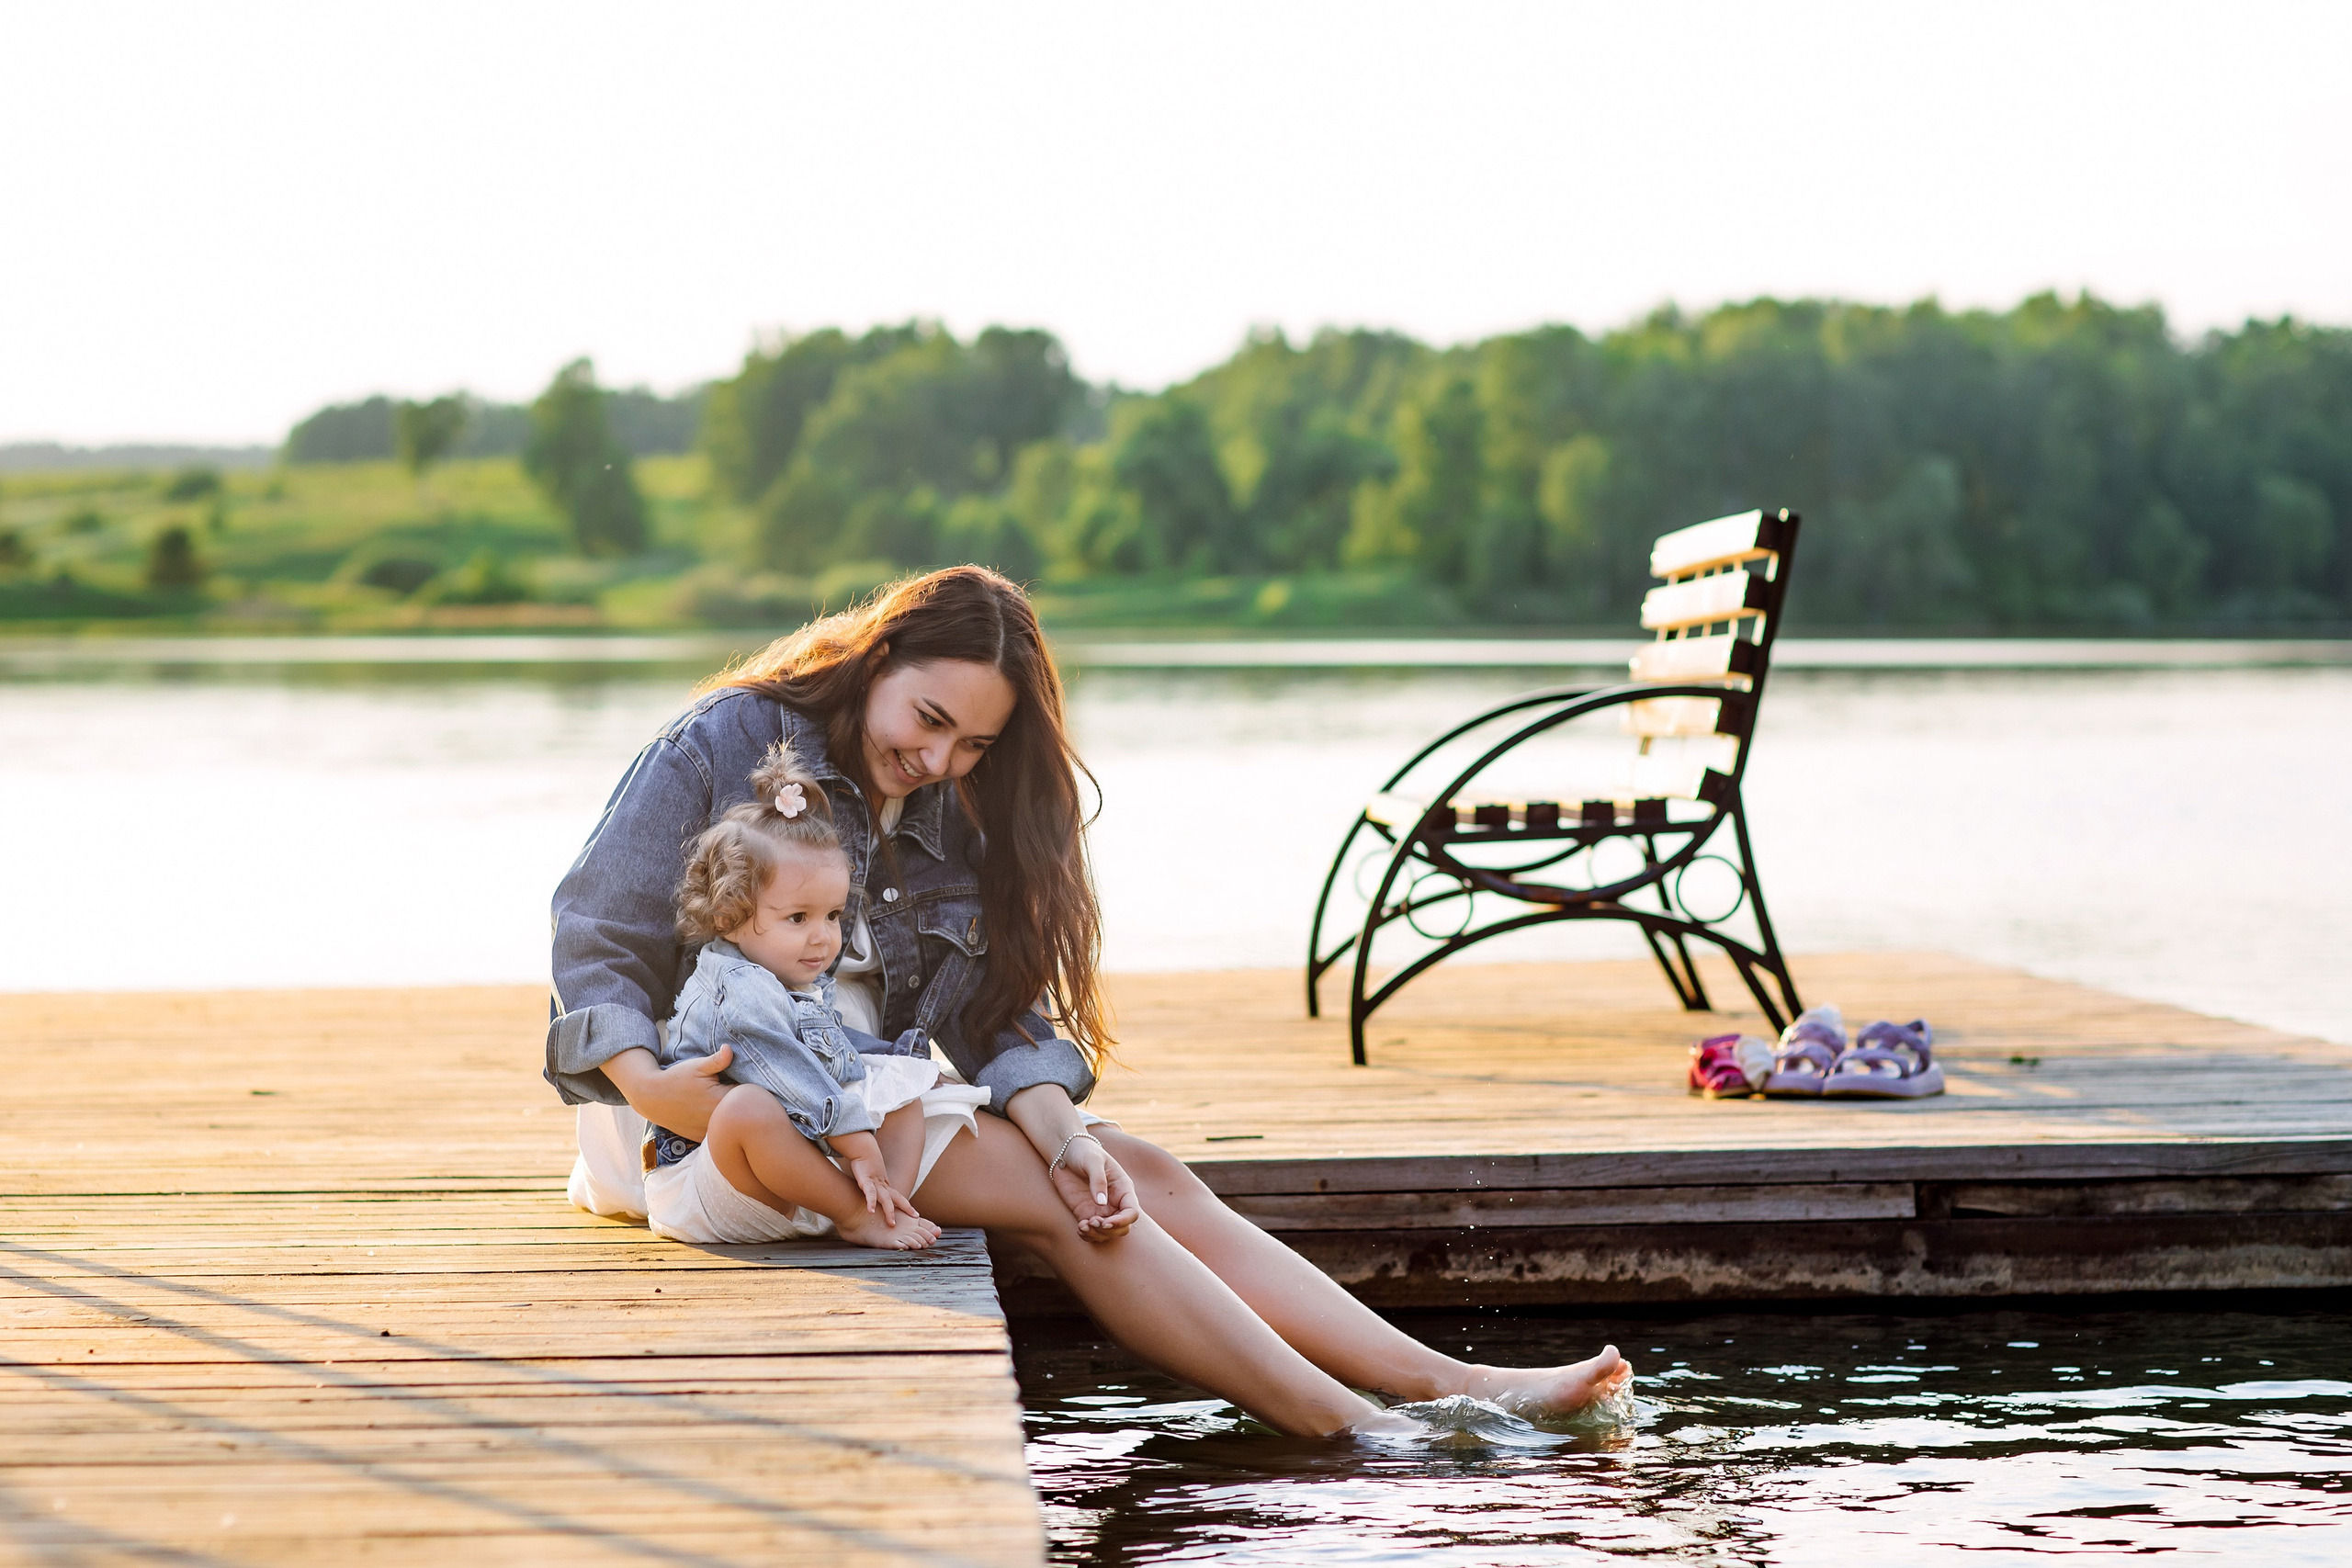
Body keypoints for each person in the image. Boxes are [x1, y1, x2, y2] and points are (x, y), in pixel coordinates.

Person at [548, 565, 1630, 1438]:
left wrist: (1061, 1126)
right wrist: (651, 1084)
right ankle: (1354, 1426)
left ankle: (1447, 1382)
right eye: (927, 720)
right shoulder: (724, 743)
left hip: (870, 1100)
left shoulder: (947, 806)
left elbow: (994, 1012)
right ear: (878, 654)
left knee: (1130, 1170)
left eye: (971, 744)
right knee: (1076, 1208)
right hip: (719, 1117)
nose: (936, 758)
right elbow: (597, 938)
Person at [648, 735, 989, 1252]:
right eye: (798, 918)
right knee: (747, 1109)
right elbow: (793, 1077)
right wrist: (858, 1145)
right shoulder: (737, 994)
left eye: (833, 915)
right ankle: (855, 1212)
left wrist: (891, 1085)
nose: (823, 936)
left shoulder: (792, 978)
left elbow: (839, 1063)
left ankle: (884, 1202)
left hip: (786, 1179)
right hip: (710, 1184)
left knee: (903, 1085)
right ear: (728, 917)